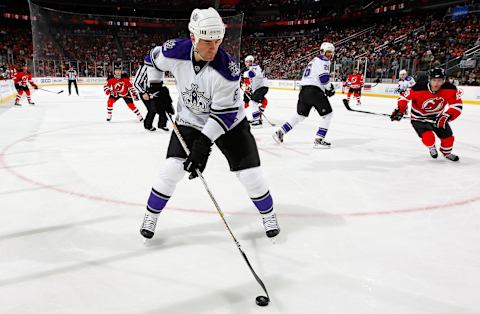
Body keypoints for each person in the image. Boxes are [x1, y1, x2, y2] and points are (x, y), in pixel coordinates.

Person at [140, 7, 280, 240]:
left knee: (251, 175)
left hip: (230, 124)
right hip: (189, 120)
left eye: (218, 41)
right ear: (193, 37)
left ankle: (269, 214)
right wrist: (156, 86)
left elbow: (222, 115)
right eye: (207, 41)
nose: (213, 48)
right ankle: (151, 215)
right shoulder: (174, 51)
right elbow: (151, 59)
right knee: (171, 170)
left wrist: (203, 145)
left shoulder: (227, 70)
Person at [390, 68, 463, 161]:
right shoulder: (418, 88)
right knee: (428, 137)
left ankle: (447, 153)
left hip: (437, 117)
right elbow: (403, 98)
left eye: (439, 80)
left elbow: (457, 105)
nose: (436, 84)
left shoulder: (450, 89)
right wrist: (401, 109)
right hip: (418, 118)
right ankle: (431, 147)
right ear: (429, 79)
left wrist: (447, 115)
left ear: (444, 80)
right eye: (434, 80)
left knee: (448, 138)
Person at [272, 42, 336, 148]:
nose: (330, 54)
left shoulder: (313, 61)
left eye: (331, 52)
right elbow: (324, 79)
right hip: (314, 91)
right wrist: (330, 88)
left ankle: (280, 132)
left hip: (304, 91)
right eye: (328, 52)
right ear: (322, 52)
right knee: (328, 115)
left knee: (300, 116)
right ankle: (319, 139)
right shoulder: (324, 61)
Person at [133, 63, 172, 131]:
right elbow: (136, 83)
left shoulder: (159, 66)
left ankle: (162, 125)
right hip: (146, 92)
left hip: (157, 90)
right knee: (152, 109)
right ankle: (148, 125)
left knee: (163, 107)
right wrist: (143, 92)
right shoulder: (145, 67)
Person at [243, 55, 269, 126]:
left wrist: (241, 74)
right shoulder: (252, 68)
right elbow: (252, 81)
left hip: (262, 88)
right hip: (259, 88)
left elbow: (251, 74)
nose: (246, 63)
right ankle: (257, 116)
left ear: (250, 61)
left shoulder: (255, 67)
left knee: (252, 103)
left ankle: (257, 119)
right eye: (246, 62)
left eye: (247, 62)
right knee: (254, 102)